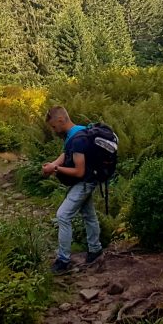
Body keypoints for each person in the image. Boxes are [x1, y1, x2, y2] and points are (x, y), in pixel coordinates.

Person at [41, 105, 103, 274]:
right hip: (87, 180)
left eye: (54, 126)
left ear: (61, 120)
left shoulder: (78, 139)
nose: (54, 130)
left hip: (84, 182)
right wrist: (54, 164)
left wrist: (55, 170)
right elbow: (66, 154)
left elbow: (79, 171)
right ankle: (95, 250)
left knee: (63, 215)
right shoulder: (77, 132)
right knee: (89, 215)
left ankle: (63, 260)